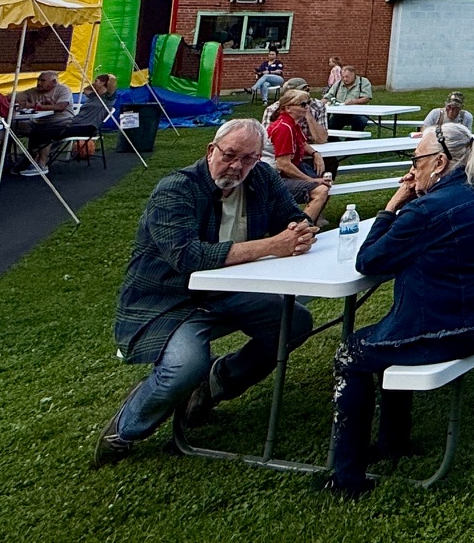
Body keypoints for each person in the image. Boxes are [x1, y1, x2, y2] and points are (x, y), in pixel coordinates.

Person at [94, 119, 330, 467]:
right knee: (185, 366)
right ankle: (123, 431)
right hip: (170, 299)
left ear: (258, 159)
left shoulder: (262, 178)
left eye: (248, 159)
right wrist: (272, 245)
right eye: (229, 155)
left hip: (228, 291)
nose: (236, 166)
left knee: (294, 323)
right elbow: (187, 257)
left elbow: (291, 219)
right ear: (210, 151)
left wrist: (302, 230)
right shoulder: (176, 189)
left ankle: (216, 383)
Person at [324, 123, 474, 498]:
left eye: (416, 161)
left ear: (439, 163)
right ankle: (393, 442)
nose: (412, 169)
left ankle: (347, 478)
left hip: (450, 328)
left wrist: (392, 205)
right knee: (387, 339)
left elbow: (369, 260)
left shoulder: (426, 209)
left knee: (351, 353)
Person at [266, 89, 330, 200]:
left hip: (287, 169)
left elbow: (303, 143)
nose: (307, 107)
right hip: (273, 176)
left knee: (325, 183)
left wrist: (315, 153)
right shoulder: (284, 128)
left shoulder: (292, 124)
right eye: (303, 104)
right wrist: (311, 180)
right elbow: (283, 164)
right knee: (321, 190)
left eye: (308, 103)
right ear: (288, 108)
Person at [14, 70, 75, 175]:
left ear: (54, 82)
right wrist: (18, 100)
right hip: (37, 122)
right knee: (10, 126)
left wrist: (39, 107)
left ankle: (41, 163)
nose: (39, 83)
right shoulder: (33, 91)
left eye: (43, 81)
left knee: (42, 131)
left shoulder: (63, 90)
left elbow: (61, 107)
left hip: (61, 122)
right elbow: (15, 97)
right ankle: (1, 157)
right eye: (38, 80)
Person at [324, 63, 374, 131]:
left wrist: (354, 101)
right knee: (331, 126)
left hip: (359, 113)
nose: (344, 79)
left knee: (360, 121)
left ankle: (353, 137)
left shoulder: (363, 82)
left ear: (354, 75)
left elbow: (366, 98)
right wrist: (322, 101)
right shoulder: (338, 83)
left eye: (347, 77)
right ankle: (332, 137)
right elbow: (329, 96)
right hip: (340, 113)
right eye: (343, 77)